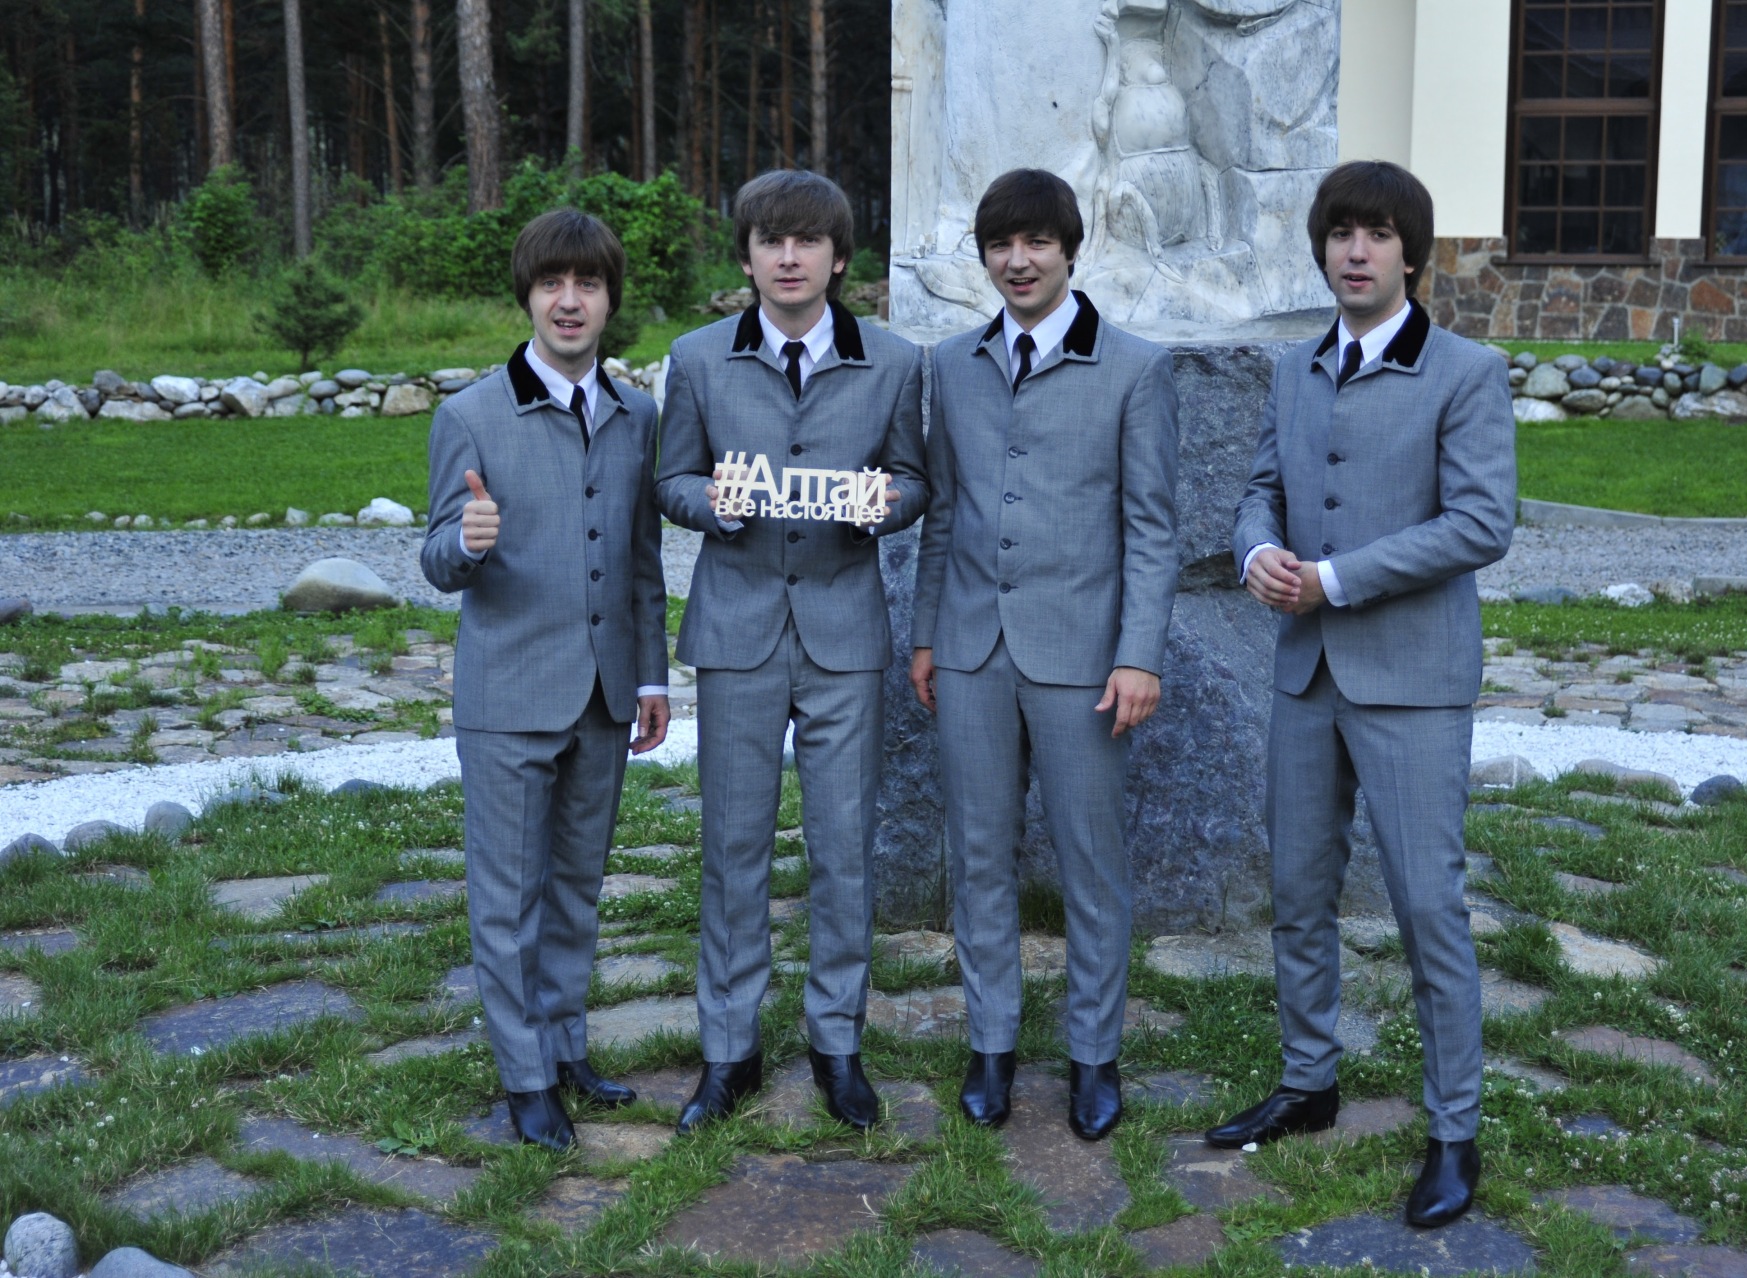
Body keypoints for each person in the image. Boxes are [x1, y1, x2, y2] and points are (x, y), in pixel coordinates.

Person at [1211, 160, 1516, 1228]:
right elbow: (1261, 489)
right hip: (1306, 678)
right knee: (1299, 891)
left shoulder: (1467, 373)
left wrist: (1333, 579)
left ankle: (1453, 1130)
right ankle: (1309, 1081)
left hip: (1413, 680)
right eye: (1342, 232)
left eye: (1377, 234)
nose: (1355, 250)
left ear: (1411, 254)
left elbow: (1481, 524)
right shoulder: (1295, 369)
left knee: (1428, 907)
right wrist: (1255, 551)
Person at [655, 169, 929, 1134]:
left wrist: (885, 504)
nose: (788, 257)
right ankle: (728, 1048)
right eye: (770, 240)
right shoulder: (696, 359)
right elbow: (671, 480)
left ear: (839, 258)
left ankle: (837, 1045)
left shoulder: (894, 361)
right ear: (746, 258)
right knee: (733, 846)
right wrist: (711, 503)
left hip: (844, 631)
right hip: (737, 628)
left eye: (807, 241)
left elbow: (914, 480)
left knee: (843, 845)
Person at [910, 167, 1178, 1141]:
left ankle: (1095, 1056)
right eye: (999, 245)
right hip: (970, 650)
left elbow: (1153, 529)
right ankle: (991, 1045)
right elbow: (944, 512)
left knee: (1089, 862)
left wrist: (1139, 654)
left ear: (1070, 249)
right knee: (978, 853)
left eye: (1036, 243)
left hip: (1084, 657)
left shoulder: (1137, 369)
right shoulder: (950, 364)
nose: (1017, 261)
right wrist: (928, 633)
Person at [420, 208, 672, 1152]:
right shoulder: (471, 416)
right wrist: (466, 541)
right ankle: (524, 1076)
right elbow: (437, 559)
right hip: (510, 697)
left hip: (605, 696)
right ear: (526, 297)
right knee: (508, 900)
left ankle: (565, 1047)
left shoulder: (636, 414)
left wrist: (651, 679)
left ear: (610, 300)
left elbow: (641, 560)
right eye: (551, 284)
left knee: (576, 887)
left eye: (588, 285)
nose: (570, 302)